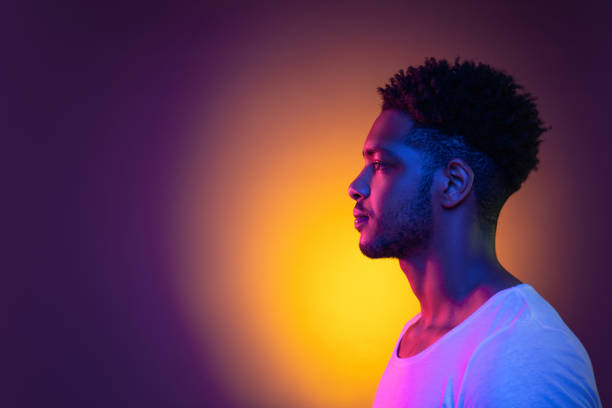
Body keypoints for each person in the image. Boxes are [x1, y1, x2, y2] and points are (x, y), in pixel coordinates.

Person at [347, 57, 601, 407]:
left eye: (380, 165)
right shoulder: (416, 336)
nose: (355, 186)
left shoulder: (523, 353)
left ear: (453, 183)